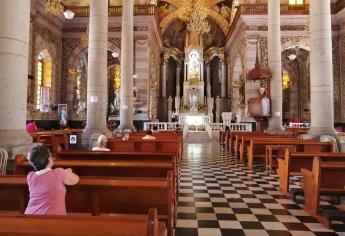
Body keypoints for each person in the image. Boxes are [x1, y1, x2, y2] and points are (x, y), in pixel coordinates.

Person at [25, 145, 79, 215]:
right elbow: (76, 179)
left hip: (30, 216)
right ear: (49, 158)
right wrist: (69, 172)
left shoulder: (30, 176)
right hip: (53, 220)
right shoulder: (59, 173)